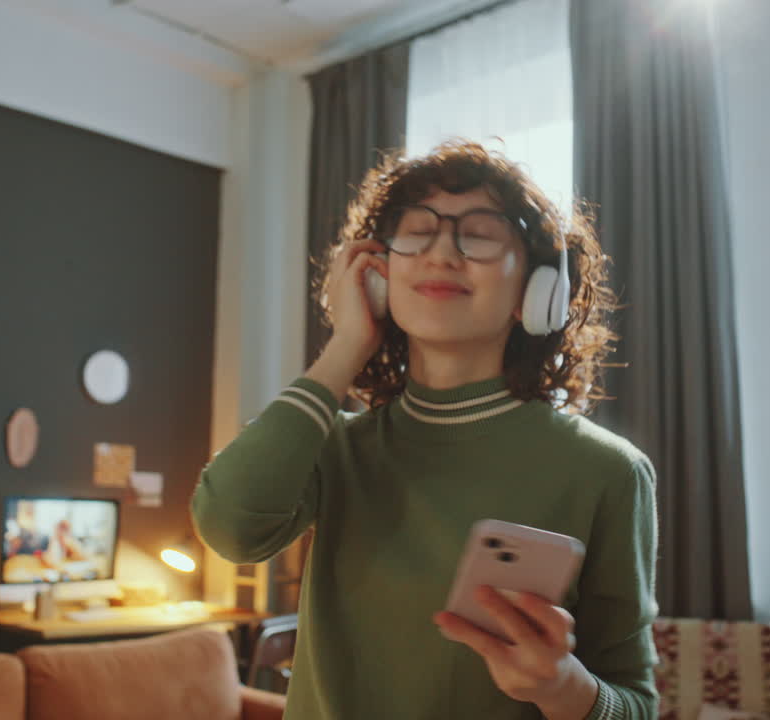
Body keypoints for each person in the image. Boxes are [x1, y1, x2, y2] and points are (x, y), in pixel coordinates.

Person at [191, 140, 658, 719]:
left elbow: (635, 704)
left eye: (480, 234)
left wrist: (562, 686)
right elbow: (230, 527)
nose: (442, 253)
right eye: (417, 231)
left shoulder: (608, 471)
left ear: (536, 293)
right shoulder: (332, 445)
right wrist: (345, 348)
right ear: (379, 277)